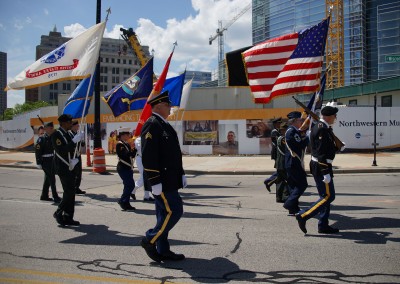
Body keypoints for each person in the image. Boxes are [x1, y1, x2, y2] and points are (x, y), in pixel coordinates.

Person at [140, 90, 187, 262]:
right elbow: (148, 155)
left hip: (170, 179)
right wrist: (154, 180)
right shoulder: (152, 124)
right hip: (161, 180)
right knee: (174, 210)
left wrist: (181, 174)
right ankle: (149, 239)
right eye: (168, 105)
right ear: (158, 106)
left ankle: (163, 249)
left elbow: (173, 154)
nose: (170, 108)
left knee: (163, 214)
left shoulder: (164, 125)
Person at [295, 106, 341, 234]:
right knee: (328, 196)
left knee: (324, 196)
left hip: (320, 165)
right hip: (322, 166)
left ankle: (323, 225)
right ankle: (304, 215)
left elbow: (324, 148)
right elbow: (320, 153)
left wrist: (336, 148)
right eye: (334, 116)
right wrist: (325, 172)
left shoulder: (322, 127)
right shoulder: (322, 130)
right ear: (329, 116)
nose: (335, 118)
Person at [52, 114, 83, 227]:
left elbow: (73, 148)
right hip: (63, 167)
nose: (71, 124)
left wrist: (78, 140)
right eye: (69, 122)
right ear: (64, 123)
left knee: (71, 192)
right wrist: (74, 141)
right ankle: (59, 212)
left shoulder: (67, 134)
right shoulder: (56, 135)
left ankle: (68, 216)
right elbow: (62, 150)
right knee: (69, 191)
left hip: (70, 166)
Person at [283, 111, 309, 215]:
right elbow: (300, 145)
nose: (302, 122)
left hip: (292, 162)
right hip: (294, 162)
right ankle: (289, 203)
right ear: (295, 121)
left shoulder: (294, 130)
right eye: (300, 120)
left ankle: (293, 209)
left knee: (293, 186)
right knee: (302, 184)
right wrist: (307, 137)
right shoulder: (291, 131)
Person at [35, 122, 61, 203]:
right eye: (50, 128)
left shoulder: (52, 137)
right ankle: (55, 196)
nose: (52, 129)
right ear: (46, 129)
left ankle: (44, 195)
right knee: (52, 179)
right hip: (45, 161)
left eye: (52, 128)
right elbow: (38, 151)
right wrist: (38, 162)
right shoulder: (41, 139)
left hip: (52, 160)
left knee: (47, 180)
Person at [116, 127, 137, 211]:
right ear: (122, 135)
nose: (129, 136)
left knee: (128, 185)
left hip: (128, 167)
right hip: (123, 167)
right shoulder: (119, 144)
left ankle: (126, 202)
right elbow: (124, 155)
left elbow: (131, 155)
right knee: (130, 185)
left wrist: (135, 149)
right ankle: (122, 200)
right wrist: (132, 151)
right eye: (127, 134)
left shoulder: (126, 144)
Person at [131, 136, 154, 202]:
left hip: (147, 159)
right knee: (144, 176)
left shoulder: (150, 137)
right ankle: (132, 191)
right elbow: (140, 148)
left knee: (146, 177)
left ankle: (146, 196)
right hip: (140, 158)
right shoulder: (138, 139)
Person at [263, 117, 282, 192]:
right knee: (280, 170)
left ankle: (269, 181)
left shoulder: (278, 131)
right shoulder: (274, 132)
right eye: (278, 123)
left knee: (281, 171)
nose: (280, 124)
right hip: (277, 153)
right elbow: (278, 143)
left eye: (280, 123)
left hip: (279, 153)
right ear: (275, 124)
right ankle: (269, 181)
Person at [69, 120, 86, 195]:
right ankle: (73, 187)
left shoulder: (77, 134)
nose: (78, 127)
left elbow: (82, 145)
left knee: (79, 172)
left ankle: (77, 187)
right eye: (77, 126)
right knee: (74, 172)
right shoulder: (69, 134)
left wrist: (82, 140)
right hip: (73, 155)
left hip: (78, 154)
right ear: (73, 126)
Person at [275, 122, 290, 203]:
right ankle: (285, 197)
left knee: (280, 181)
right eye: (285, 130)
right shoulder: (283, 139)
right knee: (285, 181)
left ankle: (279, 197)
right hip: (283, 163)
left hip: (280, 163)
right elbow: (287, 149)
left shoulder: (281, 138)